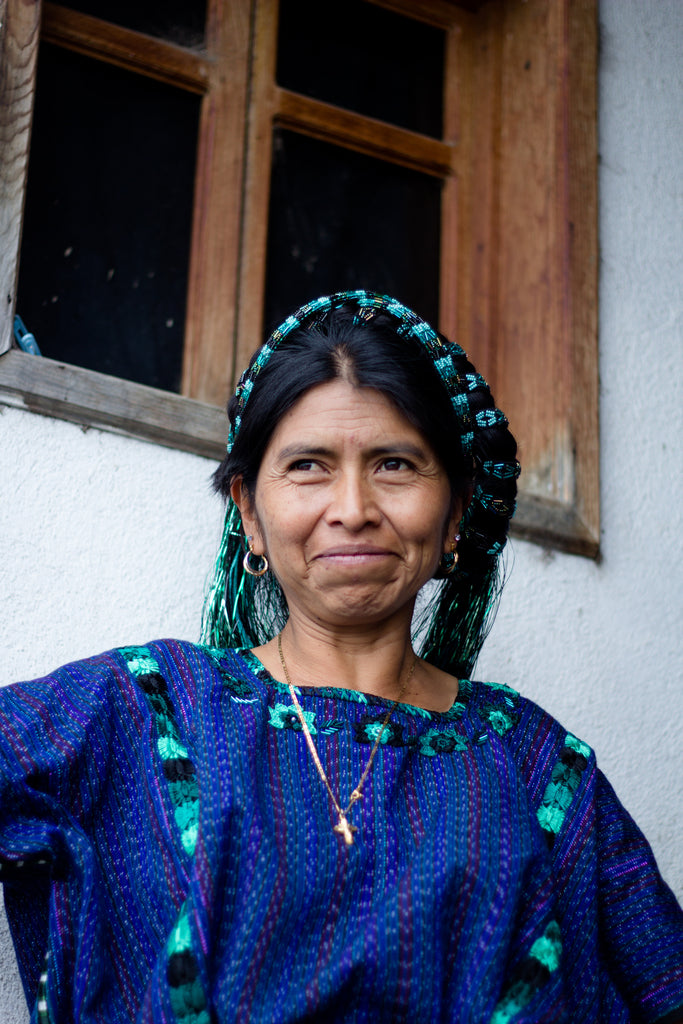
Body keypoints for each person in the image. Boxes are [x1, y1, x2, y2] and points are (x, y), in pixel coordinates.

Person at [0, 290, 681, 1024]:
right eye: (308, 466)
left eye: (394, 464)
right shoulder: (143, 709)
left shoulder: (539, 768)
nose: (352, 506)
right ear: (248, 513)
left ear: (453, 512)